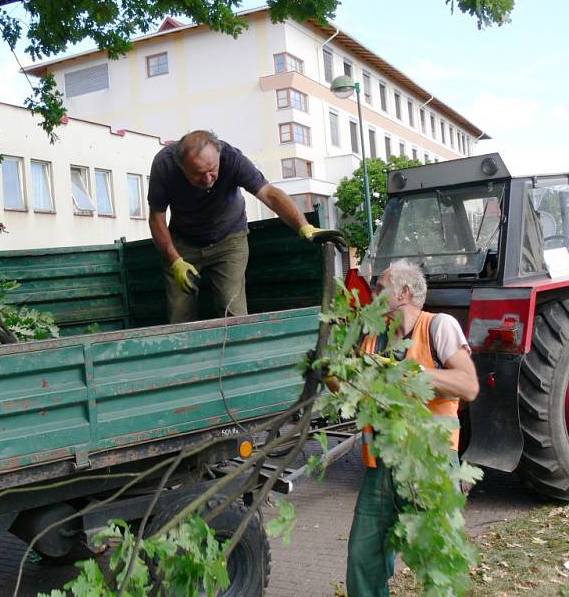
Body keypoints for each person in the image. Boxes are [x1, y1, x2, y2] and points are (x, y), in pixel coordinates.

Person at [345, 259, 479, 597]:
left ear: (404, 293)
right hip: (381, 465)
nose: (373, 292)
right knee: (363, 559)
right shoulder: (374, 339)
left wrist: (412, 375)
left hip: (429, 462)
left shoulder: (439, 327)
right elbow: (356, 394)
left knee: (436, 563)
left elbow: (468, 385)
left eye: (380, 287)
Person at [147, 129, 344, 323]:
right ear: (182, 167)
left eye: (212, 170)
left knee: (233, 312)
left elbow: (269, 194)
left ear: (218, 155)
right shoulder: (164, 165)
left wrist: (304, 226)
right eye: (198, 174)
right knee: (180, 315)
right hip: (183, 244)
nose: (208, 180)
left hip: (229, 239)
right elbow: (157, 218)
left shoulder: (232, 158)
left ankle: (236, 352)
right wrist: (175, 261)